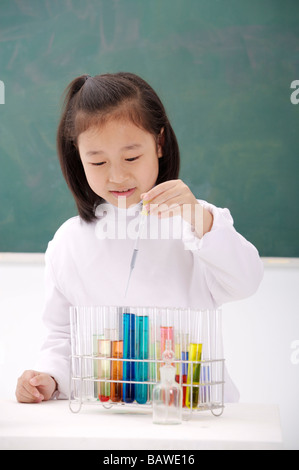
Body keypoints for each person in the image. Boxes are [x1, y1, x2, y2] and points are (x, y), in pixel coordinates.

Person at [15, 72, 263, 403]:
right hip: (110, 422)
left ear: (159, 144)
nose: (117, 175)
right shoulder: (69, 242)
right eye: (98, 161)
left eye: (131, 157)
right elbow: (62, 335)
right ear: (78, 157)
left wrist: (199, 220)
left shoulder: (195, 220)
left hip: (194, 414)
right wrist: (48, 378)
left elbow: (246, 282)